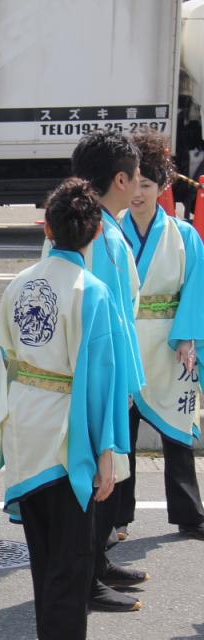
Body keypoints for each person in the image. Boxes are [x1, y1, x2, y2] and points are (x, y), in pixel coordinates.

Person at [0, 177, 122, 640]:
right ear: (94, 234)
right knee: (71, 566)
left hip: (26, 430)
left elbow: (4, 359)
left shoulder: (19, 283)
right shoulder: (93, 291)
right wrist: (106, 451)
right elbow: (101, 382)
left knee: (46, 565)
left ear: (46, 227)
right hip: (68, 440)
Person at [60, 129, 148, 612]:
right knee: (98, 473)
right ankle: (88, 576)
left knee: (111, 469)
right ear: (120, 178)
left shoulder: (102, 226)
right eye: (136, 178)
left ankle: (98, 562)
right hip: (96, 373)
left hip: (111, 369)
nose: (139, 186)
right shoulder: (96, 231)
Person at [116, 130, 204, 541]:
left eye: (147, 186)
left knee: (177, 429)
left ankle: (189, 514)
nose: (138, 194)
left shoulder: (184, 235)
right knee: (122, 433)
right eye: (133, 185)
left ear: (161, 188)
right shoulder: (110, 232)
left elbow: (196, 289)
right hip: (126, 341)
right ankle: (117, 517)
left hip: (171, 343)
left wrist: (187, 337)